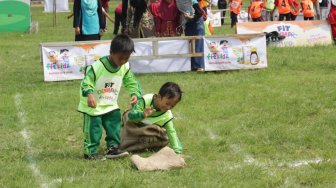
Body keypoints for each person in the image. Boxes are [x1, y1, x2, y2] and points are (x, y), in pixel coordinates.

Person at [77, 34, 142, 160]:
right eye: (121, 58)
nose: (123, 61)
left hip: (110, 102)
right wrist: (90, 94)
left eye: (127, 58)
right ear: (111, 52)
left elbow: (131, 81)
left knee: (114, 124)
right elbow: (87, 81)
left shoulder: (125, 67)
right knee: (94, 128)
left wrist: (135, 94)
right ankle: (90, 151)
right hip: (93, 104)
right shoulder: (97, 67)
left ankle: (113, 148)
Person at [120, 82, 183, 154]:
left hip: (147, 130)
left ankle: (133, 143)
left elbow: (171, 132)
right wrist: (142, 115)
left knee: (163, 136)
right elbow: (131, 116)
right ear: (159, 97)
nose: (168, 108)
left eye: (172, 106)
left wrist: (177, 151)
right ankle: (126, 141)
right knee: (128, 122)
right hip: (135, 124)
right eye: (167, 103)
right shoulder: (146, 100)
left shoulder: (167, 115)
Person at [184, 0, 205, 71]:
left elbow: (199, 13)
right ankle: (191, 66)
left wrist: (190, 17)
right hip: (189, 25)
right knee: (189, 45)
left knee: (198, 45)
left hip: (197, 24)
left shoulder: (193, 1)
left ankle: (199, 66)